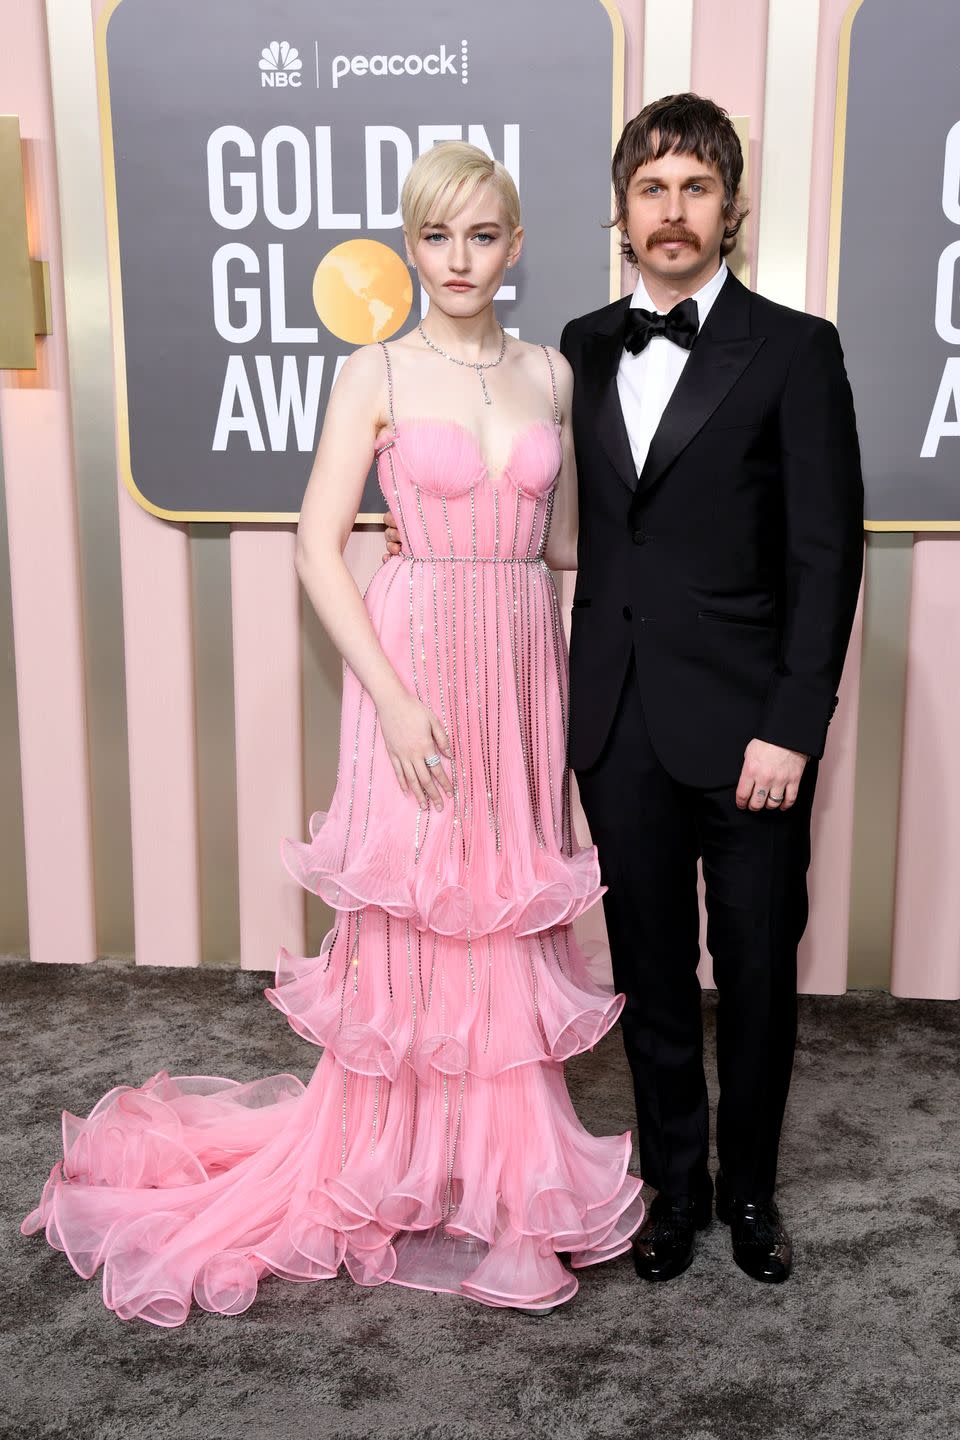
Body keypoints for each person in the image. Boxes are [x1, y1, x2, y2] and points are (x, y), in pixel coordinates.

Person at [21, 142, 644, 1327]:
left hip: (519, 660)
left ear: (513, 246)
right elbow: (318, 547)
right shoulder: (373, 372)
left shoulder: (553, 375)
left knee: (500, 901)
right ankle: (399, 1160)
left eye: (480, 235)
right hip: (412, 662)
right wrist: (397, 698)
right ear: (409, 248)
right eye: (435, 236)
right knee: (421, 907)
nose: (457, 259)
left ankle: (507, 1181)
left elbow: (562, 542)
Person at [386, 95, 864, 1285]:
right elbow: (558, 526)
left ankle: (752, 1193)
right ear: (618, 211)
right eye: (652, 187)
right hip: (615, 720)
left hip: (753, 729)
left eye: (696, 187)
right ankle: (676, 1190)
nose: (673, 209)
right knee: (649, 971)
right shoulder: (580, 347)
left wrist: (793, 726)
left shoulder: (798, 348)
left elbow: (826, 553)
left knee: (752, 968)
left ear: (731, 208)